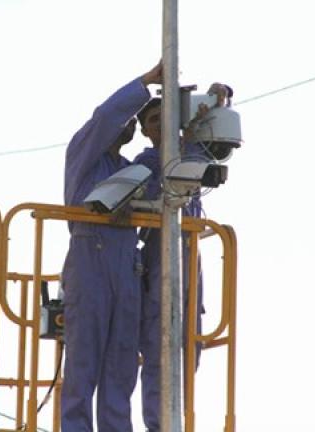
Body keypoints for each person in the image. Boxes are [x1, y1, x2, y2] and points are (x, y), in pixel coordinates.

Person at [60, 61, 162, 432]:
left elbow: (172, 173)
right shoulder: (84, 156)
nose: (131, 124)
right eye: (129, 118)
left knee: (120, 365)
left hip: (126, 267)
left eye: (136, 121)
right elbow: (105, 116)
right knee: (83, 362)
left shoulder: (132, 170)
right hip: (90, 262)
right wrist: (145, 82)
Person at [133, 83, 230, 432]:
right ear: (145, 130)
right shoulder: (145, 163)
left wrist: (217, 103)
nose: (160, 126)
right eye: (154, 120)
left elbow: (211, 156)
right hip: (161, 262)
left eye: (165, 118)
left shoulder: (190, 153)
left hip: (191, 267)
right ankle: (158, 426)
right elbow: (161, 187)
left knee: (190, 353)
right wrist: (185, 142)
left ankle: (178, 423)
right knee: (160, 352)